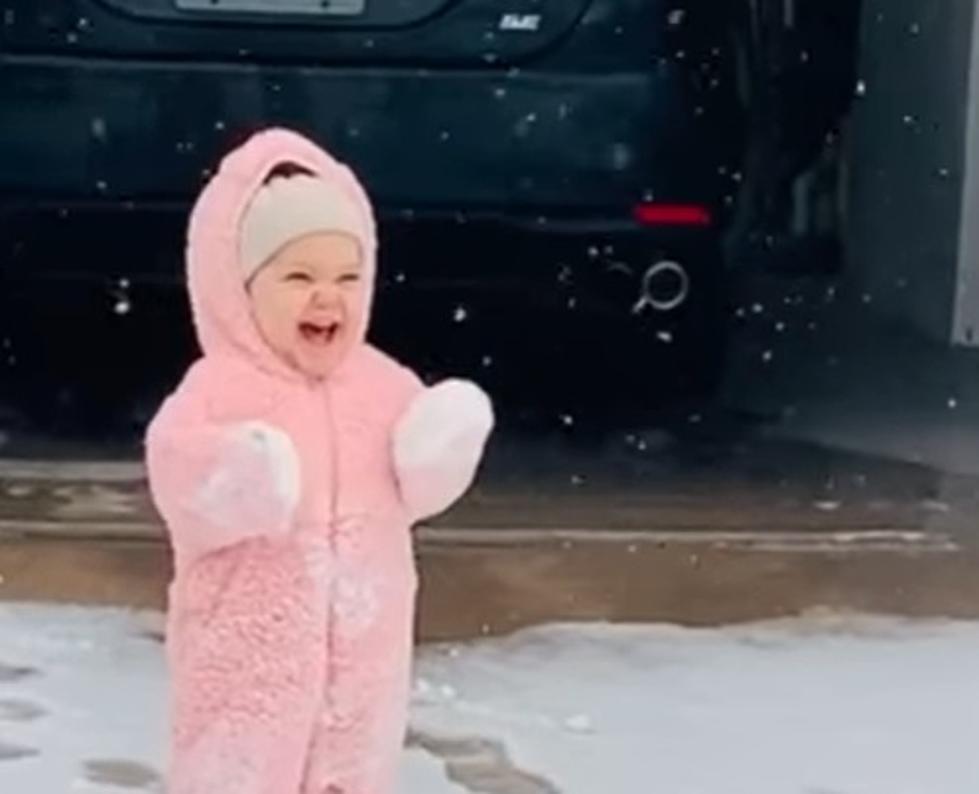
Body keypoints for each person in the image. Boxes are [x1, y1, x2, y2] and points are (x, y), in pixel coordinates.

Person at [145, 127, 494, 794]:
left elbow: (417, 484)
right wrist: (241, 476)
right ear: (241, 288)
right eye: (298, 276)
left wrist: (438, 443)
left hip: (362, 669)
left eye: (347, 276)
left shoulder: (382, 383)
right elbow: (179, 477)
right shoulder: (220, 387)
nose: (326, 297)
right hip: (248, 673)